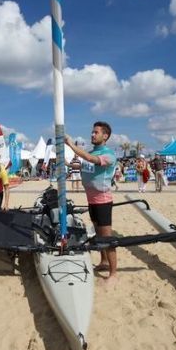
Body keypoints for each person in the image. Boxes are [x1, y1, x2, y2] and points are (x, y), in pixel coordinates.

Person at [65, 121, 118, 284]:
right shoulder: (91, 151)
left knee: (107, 237)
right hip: (91, 200)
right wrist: (65, 163)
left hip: (102, 201)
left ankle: (114, 274)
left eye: (96, 132)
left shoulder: (109, 154)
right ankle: (103, 261)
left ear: (105, 136)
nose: (92, 135)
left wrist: (71, 145)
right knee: (97, 232)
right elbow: (83, 165)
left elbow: (90, 159)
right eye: (92, 132)